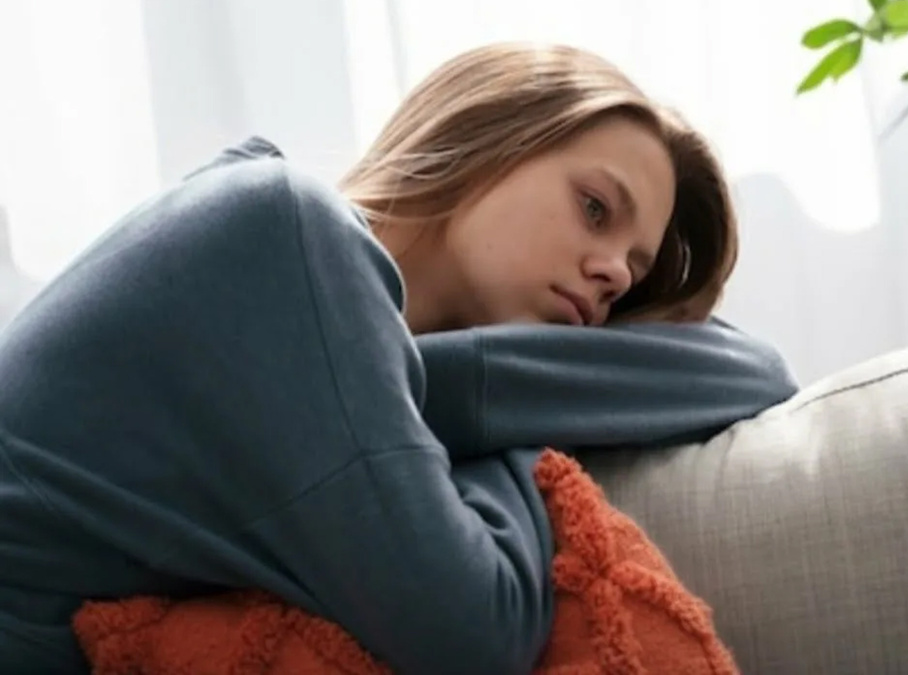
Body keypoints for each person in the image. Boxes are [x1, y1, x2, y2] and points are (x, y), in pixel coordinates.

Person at [0, 43, 796, 673]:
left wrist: (440, 395)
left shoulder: (326, 321)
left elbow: (751, 369)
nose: (615, 272)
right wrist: (515, 427)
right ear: (488, 136)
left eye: (631, 273)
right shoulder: (284, 231)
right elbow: (475, 632)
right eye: (594, 208)